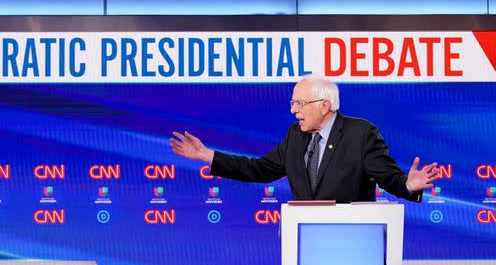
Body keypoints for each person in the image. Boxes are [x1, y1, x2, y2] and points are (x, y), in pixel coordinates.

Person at [170, 77, 439, 202]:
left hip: (354, 242)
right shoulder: (295, 135)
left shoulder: (361, 133)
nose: (293, 110)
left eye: (299, 103)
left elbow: (388, 177)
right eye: (293, 103)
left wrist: (409, 184)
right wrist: (208, 156)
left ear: (324, 105)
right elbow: (260, 170)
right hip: (306, 242)